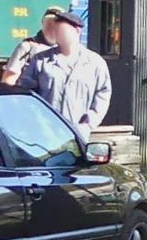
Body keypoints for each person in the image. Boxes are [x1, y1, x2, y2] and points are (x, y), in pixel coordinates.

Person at [17, 12, 111, 143]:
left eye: (62, 29)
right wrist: (37, 121)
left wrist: (88, 123)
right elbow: (26, 93)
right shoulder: (41, 60)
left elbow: (103, 94)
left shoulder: (95, 63)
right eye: (56, 29)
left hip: (77, 134)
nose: (57, 33)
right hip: (44, 134)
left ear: (77, 31)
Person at [1, 7, 65, 85]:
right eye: (48, 23)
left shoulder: (65, 50)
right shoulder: (28, 47)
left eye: (55, 23)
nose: (50, 27)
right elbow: (8, 80)